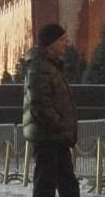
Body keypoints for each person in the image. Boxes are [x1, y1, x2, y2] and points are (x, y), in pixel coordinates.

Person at [23, 23, 80, 197]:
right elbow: (40, 103)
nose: (66, 43)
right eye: (62, 40)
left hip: (56, 136)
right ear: (51, 42)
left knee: (67, 184)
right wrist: (60, 125)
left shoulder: (51, 66)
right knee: (46, 185)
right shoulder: (40, 66)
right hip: (48, 136)